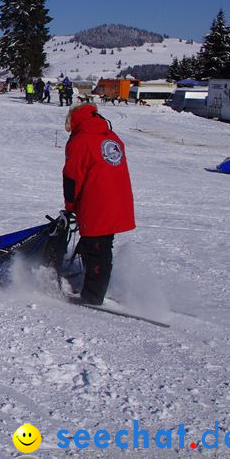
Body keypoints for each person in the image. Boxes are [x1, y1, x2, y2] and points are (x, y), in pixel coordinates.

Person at [62, 103, 135, 306]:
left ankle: (93, 296)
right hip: (118, 199)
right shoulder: (111, 136)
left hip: (96, 203)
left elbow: (72, 177)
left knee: (96, 249)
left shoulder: (81, 140)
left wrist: (70, 205)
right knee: (99, 245)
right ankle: (95, 286)